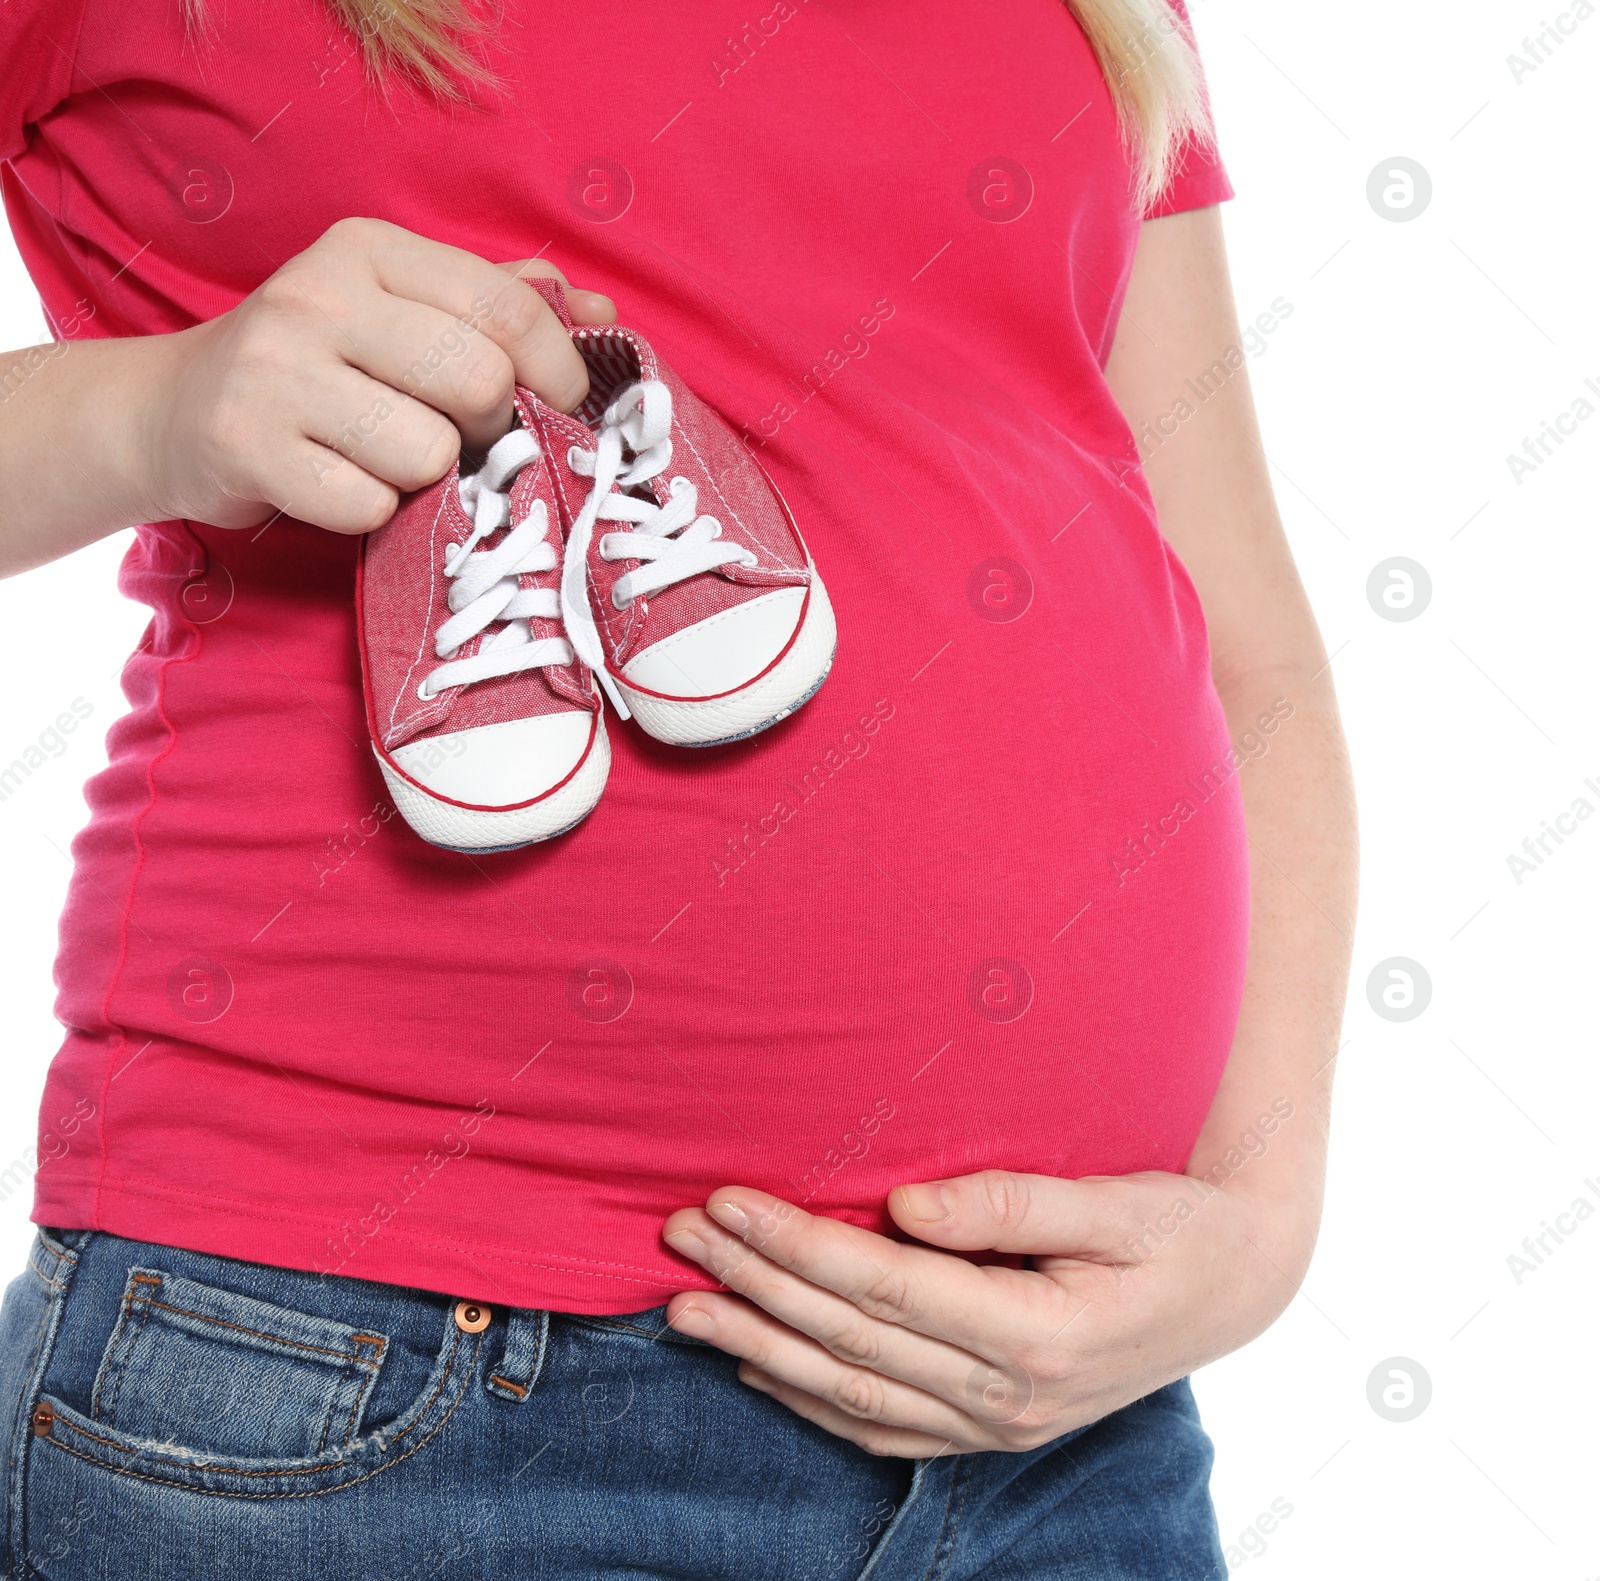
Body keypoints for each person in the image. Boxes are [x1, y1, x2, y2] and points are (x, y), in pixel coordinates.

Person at [0, 0, 1357, 1575]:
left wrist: (1258, 1223)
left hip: (1061, 1435)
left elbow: (1248, 642)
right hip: (382, 1390)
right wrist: (146, 412)